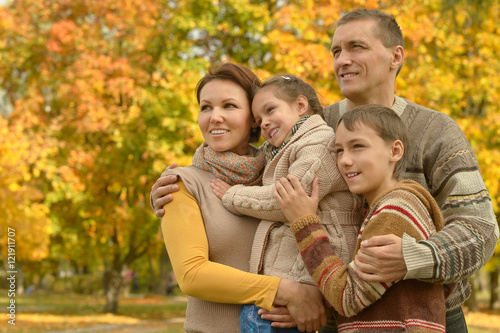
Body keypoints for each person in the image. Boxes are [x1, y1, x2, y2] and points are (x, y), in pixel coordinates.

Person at [151, 8, 499, 332]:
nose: (342, 60)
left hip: (425, 316)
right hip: (337, 316)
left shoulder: (435, 130)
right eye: (335, 51)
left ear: (396, 56)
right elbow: (252, 167)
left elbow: (480, 230)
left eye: (356, 47)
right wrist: (180, 189)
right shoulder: (312, 126)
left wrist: (413, 258)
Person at [159, 62, 327, 332]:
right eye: (205, 107)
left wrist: (313, 302)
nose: (214, 117)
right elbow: (192, 275)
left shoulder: (279, 178)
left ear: (253, 118)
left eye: (229, 106)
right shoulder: (182, 184)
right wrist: (284, 291)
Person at [274, 104, 452, 331]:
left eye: (357, 146)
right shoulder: (386, 208)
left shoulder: (396, 209)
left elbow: (348, 299)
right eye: (339, 150)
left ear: (395, 151)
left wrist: (305, 223)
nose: (344, 160)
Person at [209, 74, 363, 333]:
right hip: (291, 276)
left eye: (270, 110)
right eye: (259, 120)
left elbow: (287, 201)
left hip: (306, 276)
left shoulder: (318, 143)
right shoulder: (286, 148)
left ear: (301, 106)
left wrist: (231, 195)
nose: (265, 123)